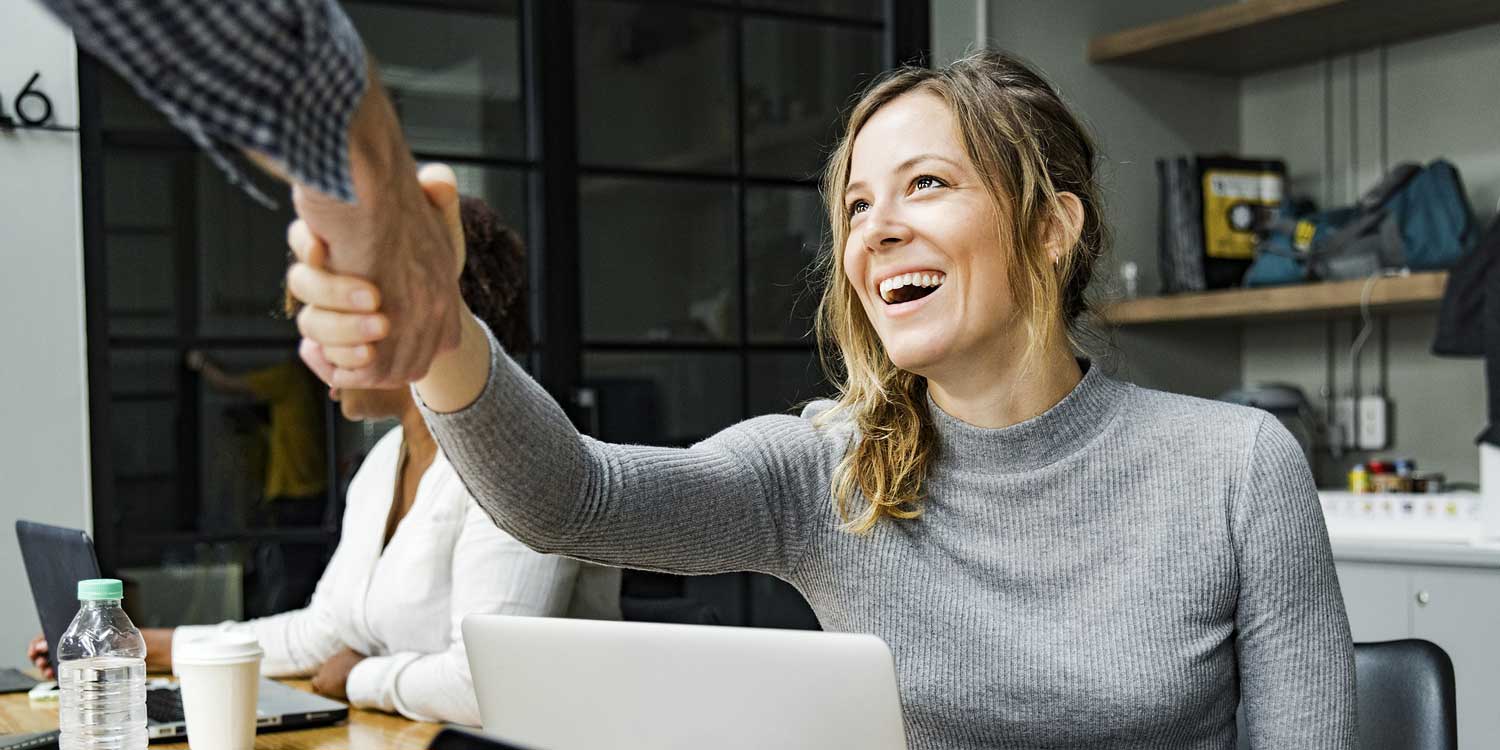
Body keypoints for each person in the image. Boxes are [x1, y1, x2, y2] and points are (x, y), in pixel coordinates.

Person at [33, 4, 1353, 746]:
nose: (873, 227)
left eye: (926, 187)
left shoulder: (1233, 467)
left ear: (1053, 223)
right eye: (854, 204)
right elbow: (572, 496)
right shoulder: (825, 464)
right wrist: (439, 329)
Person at [30, 186, 616, 726]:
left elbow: (483, 684)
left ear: (420, 314)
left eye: (332, 315)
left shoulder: (517, 458)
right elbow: (322, 632)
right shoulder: (384, 462)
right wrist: (137, 645)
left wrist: (360, 675)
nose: (312, 345)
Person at [184, 350, 328, 615]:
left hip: (295, 495)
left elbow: (228, 384)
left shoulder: (290, 377)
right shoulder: (302, 395)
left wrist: (200, 363)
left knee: (290, 580)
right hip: (303, 493)